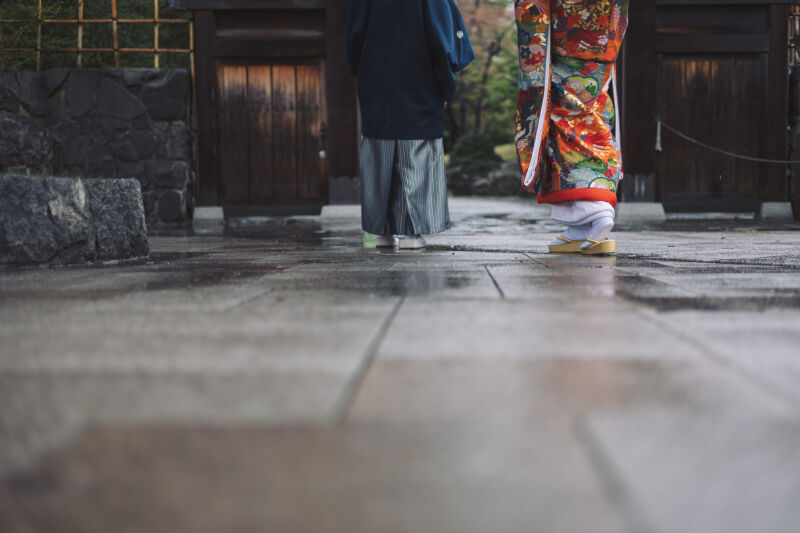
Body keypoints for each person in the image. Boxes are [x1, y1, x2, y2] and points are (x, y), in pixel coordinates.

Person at [341, 0, 474, 249]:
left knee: (378, 152)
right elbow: (442, 38)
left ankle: (381, 232)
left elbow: (352, 34)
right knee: (416, 153)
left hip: (376, 78)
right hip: (419, 79)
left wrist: (363, 68)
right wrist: (446, 84)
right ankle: (411, 233)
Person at [515, 0, 629, 254]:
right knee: (594, 105)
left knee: (565, 113)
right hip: (602, 28)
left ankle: (597, 211)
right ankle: (581, 226)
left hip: (566, 27)